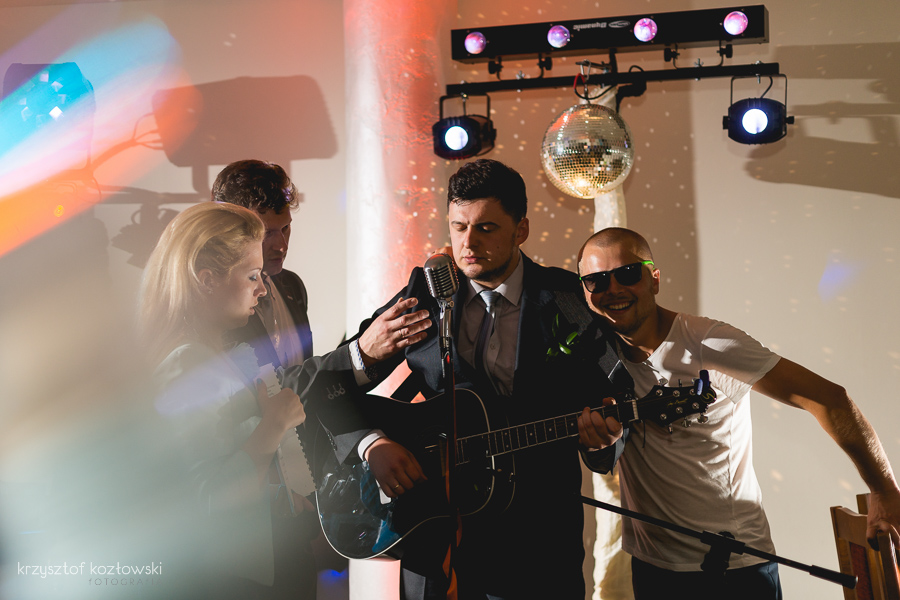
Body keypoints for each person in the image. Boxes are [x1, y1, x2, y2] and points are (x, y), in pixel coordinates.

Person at [320, 159, 632, 600]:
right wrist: (371, 443)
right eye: (459, 227)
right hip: (433, 535)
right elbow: (332, 384)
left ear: (521, 230)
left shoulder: (568, 299)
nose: (468, 243)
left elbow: (610, 401)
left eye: (486, 228)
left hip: (538, 541)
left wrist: (604, 440)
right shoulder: (425, 294)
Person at [576, 227, 900, 600]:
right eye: (597, 280)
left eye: (628, 273)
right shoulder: (597, 355)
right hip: (652, 567)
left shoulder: (707, 341)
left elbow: (830, 399)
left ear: (655, 279)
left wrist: (884, 491)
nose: (613, 289)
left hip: (733, 570)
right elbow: (602, 452)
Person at [139, 202, 311, 599]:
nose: (262, 289)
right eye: (252, 276)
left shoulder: (208, 356)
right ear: (207, 280)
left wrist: (277, 497)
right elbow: (208, 497)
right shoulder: (188, 363)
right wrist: (273, 425)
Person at [212, 159, 312, 371]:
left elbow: (304, 375)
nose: (282, 246)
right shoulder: (214, 300)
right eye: (266, 233)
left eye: (285, 228)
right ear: (228, 229)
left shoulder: (293, 285)